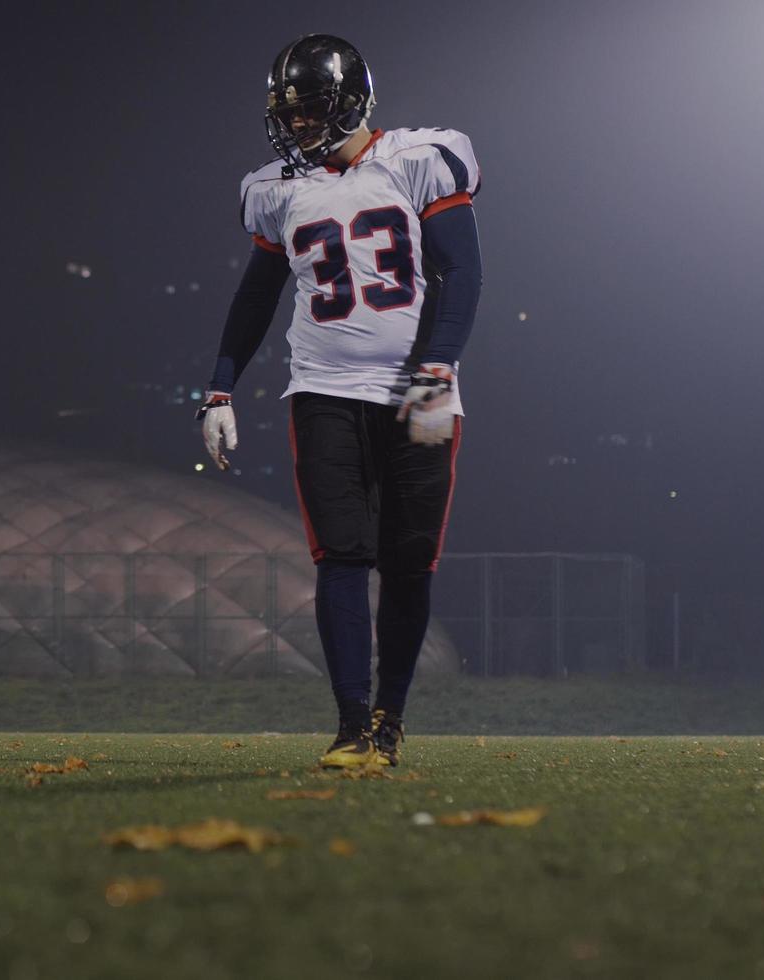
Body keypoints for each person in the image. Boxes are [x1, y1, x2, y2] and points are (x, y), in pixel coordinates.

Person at [198, 34, 483, 768]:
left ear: (353, 101)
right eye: (287, 114)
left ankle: (390, 718)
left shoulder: (420, 159)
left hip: (416, 391)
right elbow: (256, 295)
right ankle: (352, 724)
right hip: (321, 390)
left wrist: (439, 366)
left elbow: (462, 270)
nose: (295, 127)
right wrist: (220, 386)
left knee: (410, 560)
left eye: (310, 110)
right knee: (342, 556)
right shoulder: (275, 190)